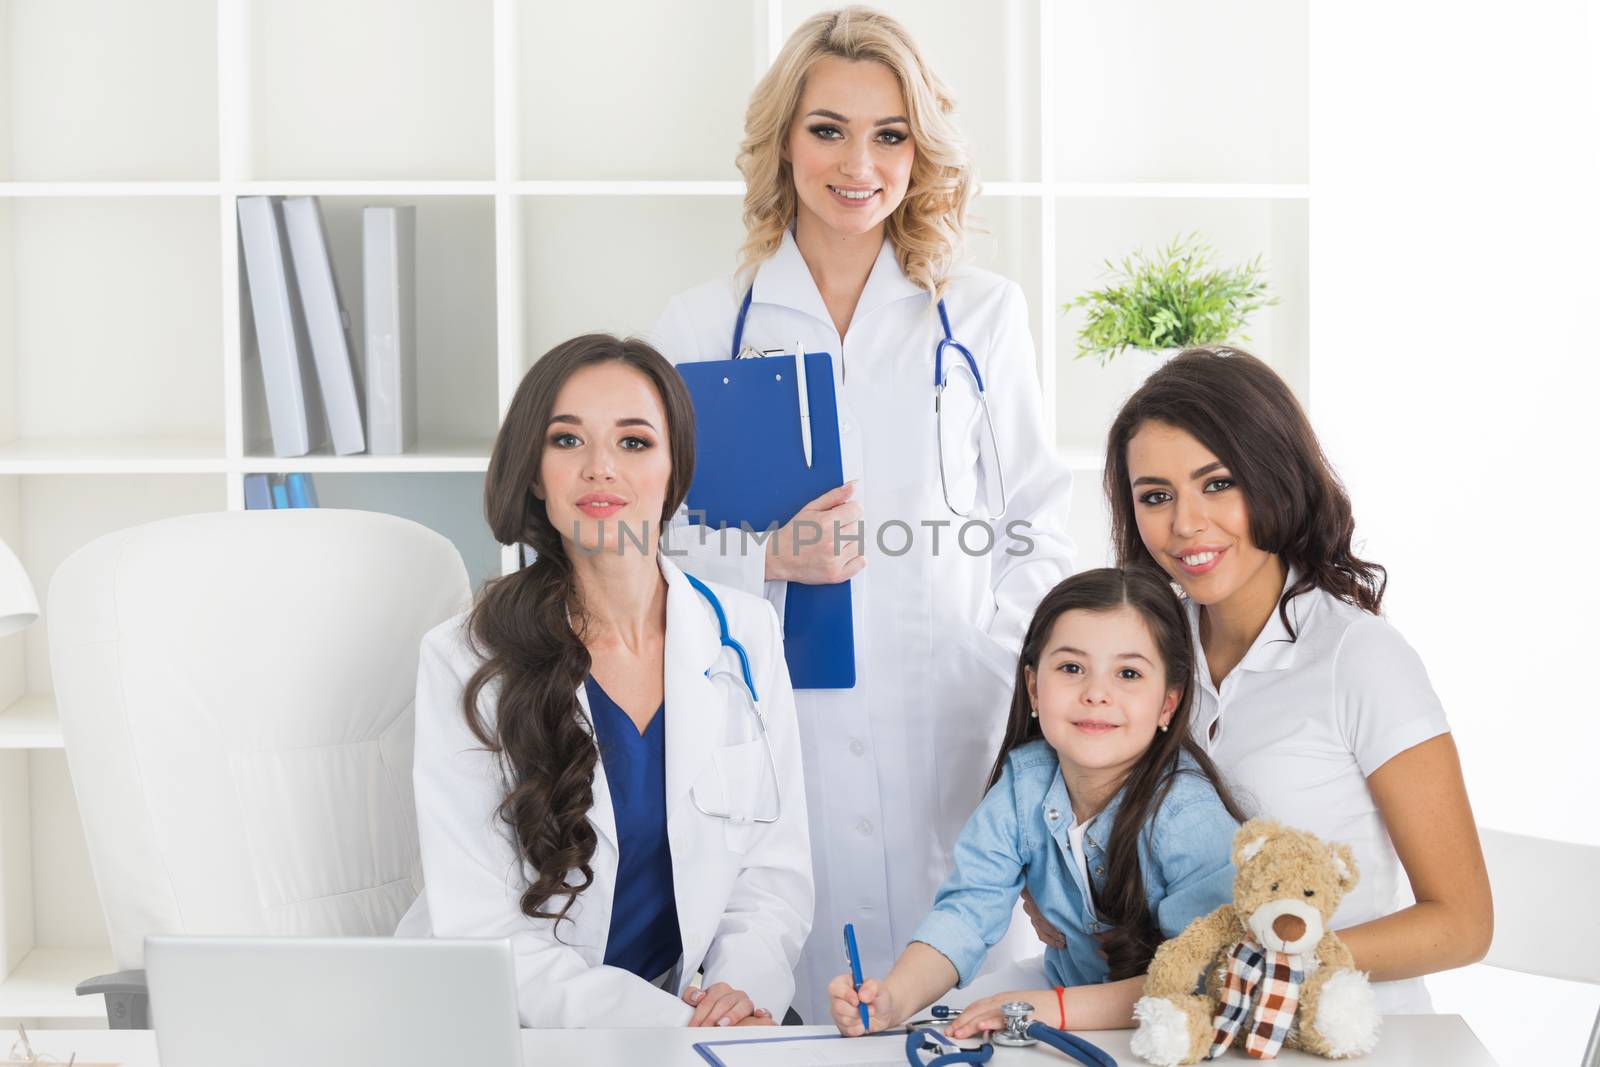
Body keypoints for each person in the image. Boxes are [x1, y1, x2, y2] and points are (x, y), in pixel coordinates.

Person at [651, 6, 1074, 1021]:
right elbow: (646, 546)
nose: (859, 163)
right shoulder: (702, 326)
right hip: (776, 726)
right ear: (782, 141)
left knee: (970, 1003)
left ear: (919, 150)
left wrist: (990, 659)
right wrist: (765, 560)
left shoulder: (978, 315)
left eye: (890, 134)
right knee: (804, 1005)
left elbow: (1039, 520)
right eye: (828, 128)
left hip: (954, 731)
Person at [396, 335, 813, 1027]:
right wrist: (666, 1024)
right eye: (567, 441)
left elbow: (773, 873)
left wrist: (740, 993)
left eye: (634, 442)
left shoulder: (746, 635)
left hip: (692, 1027)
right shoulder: (466, 659)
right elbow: (488, 929)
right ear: (534, 472)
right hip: (514, 1029)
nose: (599, 469)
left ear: (674, 469)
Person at [1086, 345, 1493, 1012]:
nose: (1186, 523)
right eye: (1156, 496)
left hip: (1352, 1037)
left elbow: (1463, 923)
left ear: (1273, 475)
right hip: (1195, 1034)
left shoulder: (1359, 658)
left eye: (1218, 483)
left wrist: (1277, 961)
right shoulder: (1147, 656)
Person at [827, 567, 1244, 1036]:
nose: (1095, 694)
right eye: (1071, 668)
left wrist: (1055, 1009)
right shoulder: (1025, 782)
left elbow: (1209, 976)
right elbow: (967, 911)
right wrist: (894, 997)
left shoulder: (1185, 812)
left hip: (1172, 1031)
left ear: (1168, 704)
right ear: (1033, 688)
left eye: (1128, 673)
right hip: (1067, 1003)